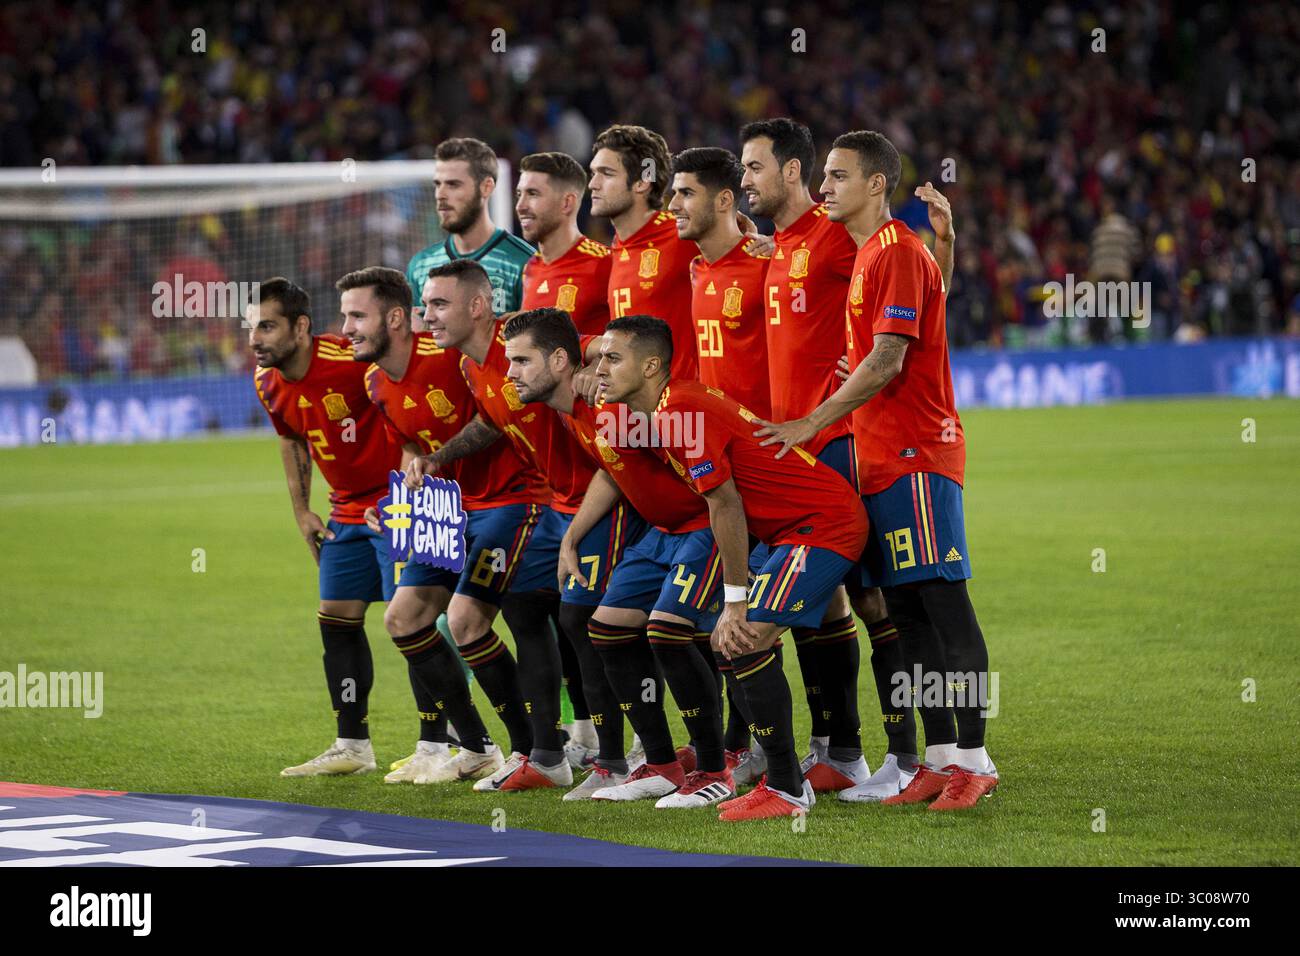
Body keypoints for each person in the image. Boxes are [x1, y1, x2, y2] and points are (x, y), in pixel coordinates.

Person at [756, 130, 997, 811]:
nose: (823, 187)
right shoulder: (874, 257)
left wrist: (812, 419)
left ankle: (975, 760)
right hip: (883, 458)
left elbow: (891, 358)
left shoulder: (891, 250)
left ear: (874, 185)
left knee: (945, 604)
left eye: (835, 176)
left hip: (917, 453)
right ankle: (939, 760)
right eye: (823, 175)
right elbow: (904, 328)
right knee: (910, 614)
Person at [594, 314, 869, 821]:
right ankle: (786, 769)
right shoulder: (666, 411)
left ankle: (787, 787)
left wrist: (735, 600)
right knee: (732, 641)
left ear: (651, 365)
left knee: (743, 635)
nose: (600, 369)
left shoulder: (684, 412)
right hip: (785, 531)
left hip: (819, 524)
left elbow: (725, 505)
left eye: (613, 358)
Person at [248, 277, 402, 777]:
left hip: (394, 504)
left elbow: (405, 407)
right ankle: (352, 745)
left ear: (301, 327)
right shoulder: (265, 380)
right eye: (252, 328)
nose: (256, 339)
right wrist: (301, 509)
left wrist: (410, 492)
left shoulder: (352, 362)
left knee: (414, 622)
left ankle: (445, 743)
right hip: (344, 511)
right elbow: (291, 439)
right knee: (335, 619)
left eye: (268, 327)